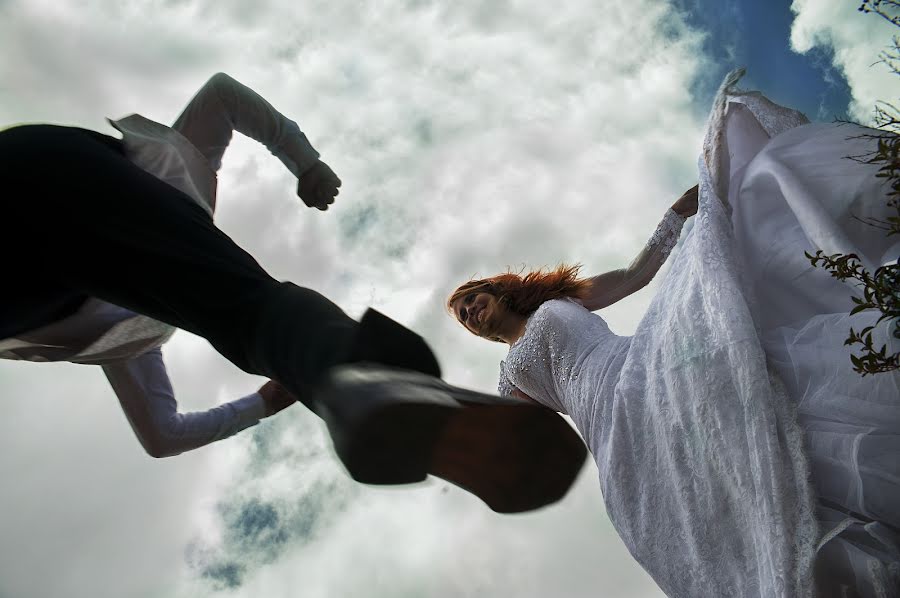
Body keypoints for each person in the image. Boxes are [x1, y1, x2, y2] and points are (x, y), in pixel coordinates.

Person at [0, 73, 586, 513]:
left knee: (239, 306)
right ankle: (351, 377)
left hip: (35, 192)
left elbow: (161, 438)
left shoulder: (127, 340)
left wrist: (304, 161)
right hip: (56, 181)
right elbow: (223, 97)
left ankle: (359, 383)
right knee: (252, 311)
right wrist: (302, 160)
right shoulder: (137, 325)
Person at [448, 69, 899, 598]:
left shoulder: (558, 301)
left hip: (643, 370)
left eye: (472, 298)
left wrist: (675, 218)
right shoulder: (509, 382)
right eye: (463, 316)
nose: (472, 310)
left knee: (757, 406)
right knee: (710, 498)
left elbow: (635, 276)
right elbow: (536, 444)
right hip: (615, 440)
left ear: (495, 290)